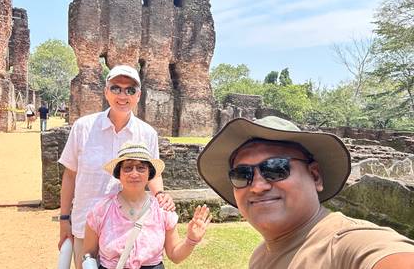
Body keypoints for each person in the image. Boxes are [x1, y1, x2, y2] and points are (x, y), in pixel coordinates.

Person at [197, 116, 414, 269]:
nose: (257, 186)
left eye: (275, 169)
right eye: (242, 175)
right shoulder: (261, 256)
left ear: (315, 176)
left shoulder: (346, 246)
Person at [58, 65, 175, 268]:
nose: (123, 95)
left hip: (126, 225)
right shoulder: (83, 128)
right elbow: (70, 176)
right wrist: (64, 219)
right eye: (116, 88)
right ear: (106, 92)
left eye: (130, 90)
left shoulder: (147, 133)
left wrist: (161, 195)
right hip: (86, 223)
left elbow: (153, 174)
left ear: (138, 95)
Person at [80, 142, 212, 269]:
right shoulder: (101, 211)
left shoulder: (162, 210)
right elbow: (88, 257)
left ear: (149, 173)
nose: (134, 173)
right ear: (118, 173)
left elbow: (174, 255)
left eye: (141, 167)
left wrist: (190, 240)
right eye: (127, 168)